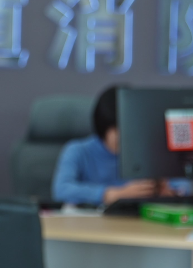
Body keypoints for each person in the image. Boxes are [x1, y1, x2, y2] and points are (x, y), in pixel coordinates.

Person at [52, 85, 183, 206]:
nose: (127, 135)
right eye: (119, 129)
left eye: (132, 127)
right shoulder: (78, 150)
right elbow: (62, 190)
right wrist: (113, 194)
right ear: (104, 127)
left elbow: (186, 184)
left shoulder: (149, 151)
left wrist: (168, 190)